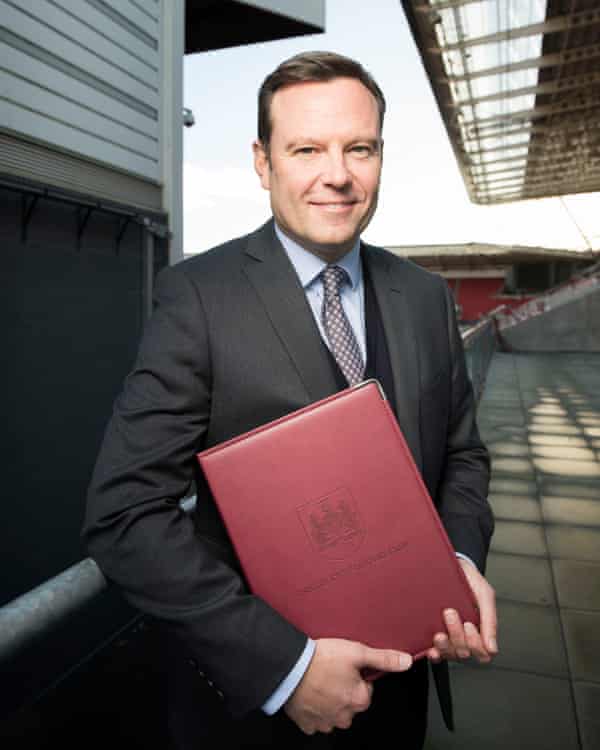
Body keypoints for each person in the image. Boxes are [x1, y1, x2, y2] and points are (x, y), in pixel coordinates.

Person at [82, 51, 497, 749]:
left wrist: (458, 564)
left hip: (403, 695)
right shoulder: (199, 298)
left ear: (380, 156)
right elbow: (124, 513)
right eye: (307, 149)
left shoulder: (425, 297)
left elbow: (462, 457)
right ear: (262, 161)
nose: (338, 174)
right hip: (260, 714)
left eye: (359, 148)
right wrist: (286, 667)